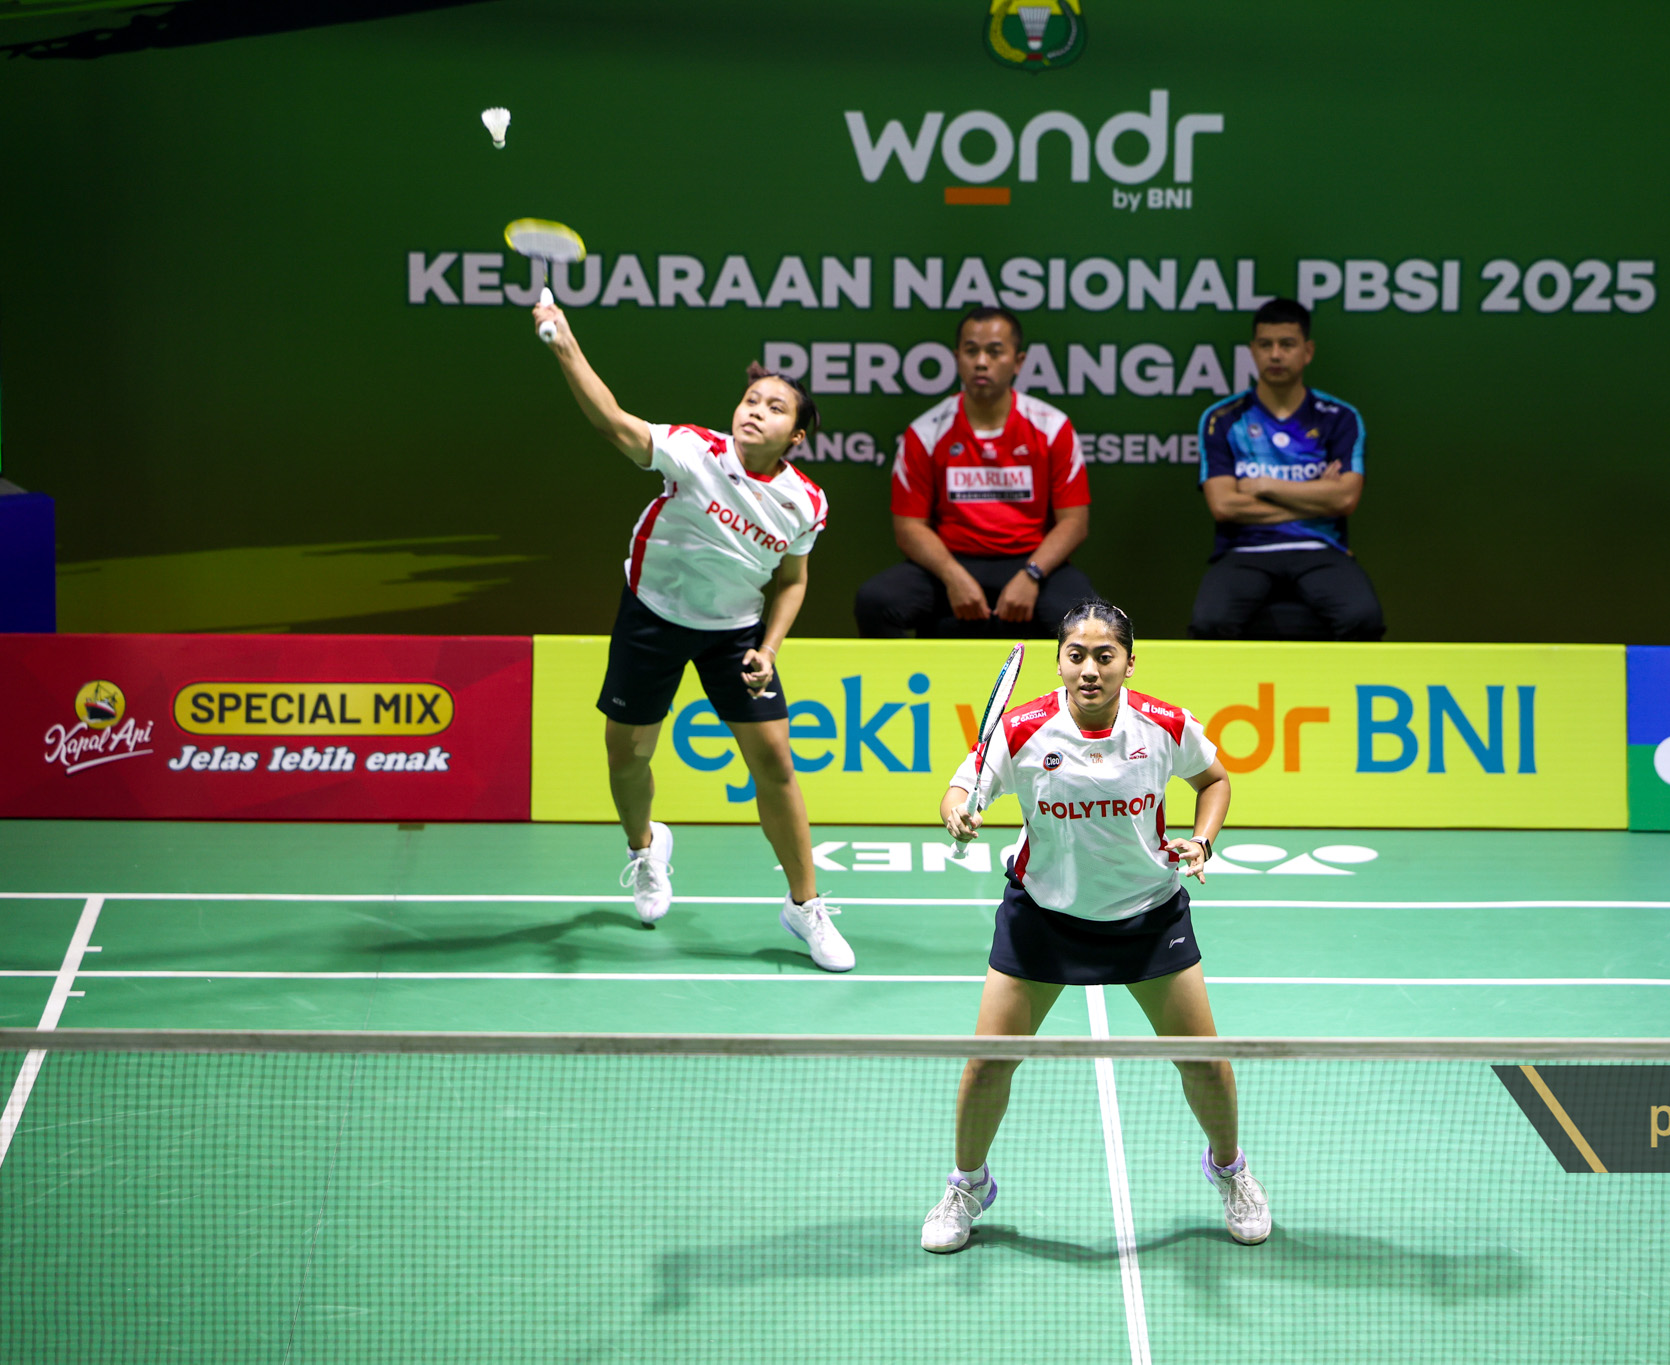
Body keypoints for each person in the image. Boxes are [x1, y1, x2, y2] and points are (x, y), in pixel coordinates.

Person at [921, 600, 1270, 1253]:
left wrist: (1203, 838)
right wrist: (956, 813)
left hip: (1147, 916)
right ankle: (967, 1185)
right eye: (1076, 655)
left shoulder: (1164, 724)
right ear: (1059, 662)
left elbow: (1215, 780)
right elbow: (958, 789)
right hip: (1044, 917)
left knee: (1205, 1063)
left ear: (1129, 663)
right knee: (988, 1064)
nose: (1089, 669)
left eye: (1104, 656)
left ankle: (1230, 1169)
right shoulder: (1022, 730)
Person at [532, 294, 854, 972]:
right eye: (751, 399)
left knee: (775, 762)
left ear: (796, 436)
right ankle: (646, 848)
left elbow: (792, 581)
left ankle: (805, 906)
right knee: (626, 756)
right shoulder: (695, 450)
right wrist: (564, 343)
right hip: (652, 615)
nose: (754, 409)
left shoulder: (806, 502)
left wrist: (768, 648)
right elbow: (615, 424)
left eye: (774, 406)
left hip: (733, 632)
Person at [856, 307, 1095, 637]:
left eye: (994, 352)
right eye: (971, 351)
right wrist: (952, 575)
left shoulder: (1052, 427)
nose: (981, 362)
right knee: (875, 601)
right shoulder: (925, 432)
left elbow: (1074, 523)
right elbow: (909, 527)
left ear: (1018, 361)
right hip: (951, 560)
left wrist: (1032, 574)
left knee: (1086, 619)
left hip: (1031, 561)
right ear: (957, 358)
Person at [1190, 298, 1385, 641]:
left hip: (1319, 546)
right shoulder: (1222, 418)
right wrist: (1316, 498)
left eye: (1287, 344)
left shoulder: (1340, 417)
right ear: (1253, 351)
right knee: (1210, 622)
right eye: (1266, 345)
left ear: (1307, 351)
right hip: (1245, 550)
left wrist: (1263, 486)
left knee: (1363, 618)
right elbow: (1224, 505)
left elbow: (1344, 499)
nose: (1276, 355)